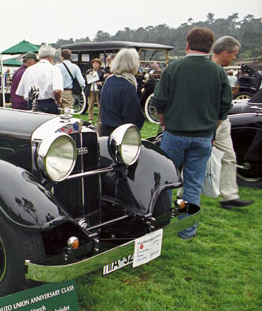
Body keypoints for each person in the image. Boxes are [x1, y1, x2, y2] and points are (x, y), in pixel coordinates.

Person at [151, 27, 233, 239]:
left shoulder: (174, 68)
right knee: (193, 185)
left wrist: (163, 124)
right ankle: (187, 229)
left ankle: (162, 225)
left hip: (175, 134)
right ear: (210, 47)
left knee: (166, 183)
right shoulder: (218, 72)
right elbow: (224, 107)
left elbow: (159, 100)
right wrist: (211, 129)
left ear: (187, 45)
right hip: (203, 136)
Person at [210, 36, 253, 209]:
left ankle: (229, 195)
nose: (235, 58)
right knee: (195, 161)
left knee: (229, 157)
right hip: (210, 122)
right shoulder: (211, 71)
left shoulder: (218, 70)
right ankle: (183, 198)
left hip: (221, 122)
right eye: (234, 54)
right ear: (225, 52)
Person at [98, 48, 145, 136]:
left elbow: (101, 99)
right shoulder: (127, 86)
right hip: (120, 134)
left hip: (105, 130)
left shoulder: (109, 80)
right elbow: (133, 116)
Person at [16, 44, 64, 114]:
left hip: (31, 104)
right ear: (52, 56)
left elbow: (20, 92)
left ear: (39, 56)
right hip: (48, 105)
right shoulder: (54, 69)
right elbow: (57, 91)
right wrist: (59, 101)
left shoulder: (29, 70)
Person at [85, 58, 105, 122]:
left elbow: (104, 81)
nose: (95, 65)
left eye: (96, 63)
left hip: (98, 90)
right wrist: (89, 76)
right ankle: (90, 118)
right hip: (91, 89)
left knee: (99, 104)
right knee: (90, 104)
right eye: (93, 63)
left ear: (99, 65)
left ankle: (99, 119)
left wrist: (100, 83)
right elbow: (86, 80)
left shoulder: (102, 72)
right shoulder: (89, 71)